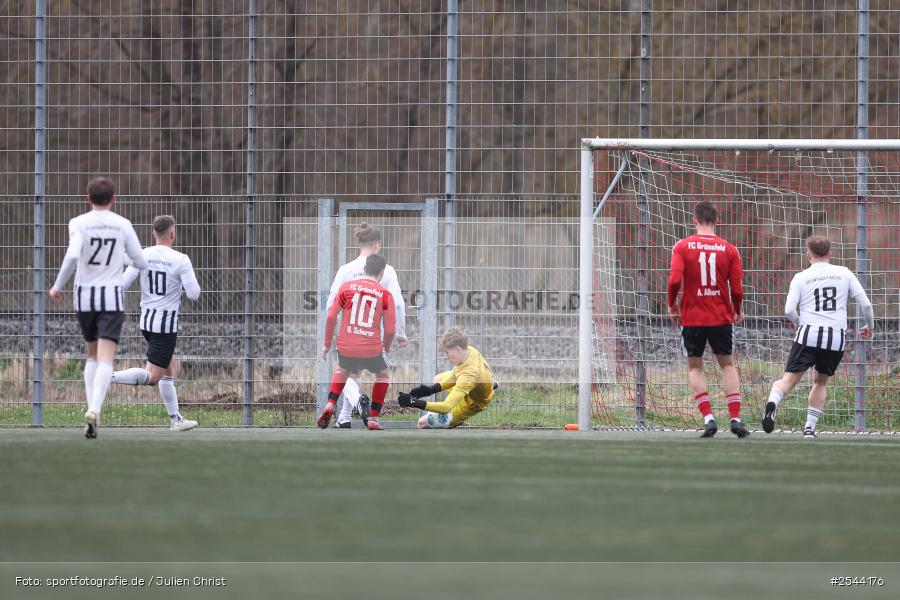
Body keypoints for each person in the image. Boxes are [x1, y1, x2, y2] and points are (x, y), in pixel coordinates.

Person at [48, 177, 147, 439]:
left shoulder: (78, 223)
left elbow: (72, 255)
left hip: (85, 299)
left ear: (88, 199)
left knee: (91, 355)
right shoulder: (123, 224)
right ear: (114, 199)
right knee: (105, 358)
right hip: (111, 299)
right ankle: (94, 409)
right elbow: (139, 260)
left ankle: (91, 413)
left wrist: (57, 286)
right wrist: (120, 258)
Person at [762, 235, 874, 438]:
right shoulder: (844, 273)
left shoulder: (801, 277)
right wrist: (870, 325)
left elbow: (788, 310)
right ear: (830, 254)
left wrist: (799, 322)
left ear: (808, 255)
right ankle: (809, 429)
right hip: (834, 338)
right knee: (820, 382)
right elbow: (866, 304)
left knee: (787, 381)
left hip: (808, 334)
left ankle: (773, 402)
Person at [108, 215, 201, 432]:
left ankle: (176, 419)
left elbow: (121, 285)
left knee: (169, 368)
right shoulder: (181, 260)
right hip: (165, 326)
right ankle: (107, 378)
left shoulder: (143, 255)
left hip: (147, 322)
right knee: (152, 377)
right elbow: (194, 294)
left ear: (153, 233)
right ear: (172, 234)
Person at [667, 201, 748, 438]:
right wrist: (737, 309)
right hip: (720, 317)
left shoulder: (682, 246)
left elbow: (674, 280)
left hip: (692, 317)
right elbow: (737, 289)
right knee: (727, 364)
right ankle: (735, 418)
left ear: (694, 220)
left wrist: (672, 304)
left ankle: (709, 418)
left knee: (695, 366)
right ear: (717, 221)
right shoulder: (730, 249)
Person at [325, 224, 407, 428]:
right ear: (376, 245)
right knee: (378, 374)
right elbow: (397, 303)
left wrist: (337, 331)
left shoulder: (346, 270)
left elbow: (331, 305)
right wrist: (400, 333)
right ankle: (355, 415)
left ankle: (345, 414)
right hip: (376, 335)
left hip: (349, 331)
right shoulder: (387, 270)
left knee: (349, 371)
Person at [320, 254, 396, 430]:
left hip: (346, 346)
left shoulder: (346, 287)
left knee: (342, 371)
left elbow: (331, 317)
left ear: (364, 269)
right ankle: (373, 418)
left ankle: (330, 404)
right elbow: (390, 329)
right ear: (382, 272)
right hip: (372, 349)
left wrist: (326, 344)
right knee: (383, 374)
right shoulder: (385, 295)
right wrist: (386, 347)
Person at [398, 326, 495, 429]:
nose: (446, 356)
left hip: (471, 403)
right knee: (437, 379)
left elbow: (446, 407)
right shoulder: (469, 350)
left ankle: (452, 420)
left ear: (457, 349)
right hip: (472, 383)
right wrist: (431, 390)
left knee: (422, 423)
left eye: (447, 352)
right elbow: (454, 375)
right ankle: (490, 385)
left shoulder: (469, 375)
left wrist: (414, 402)